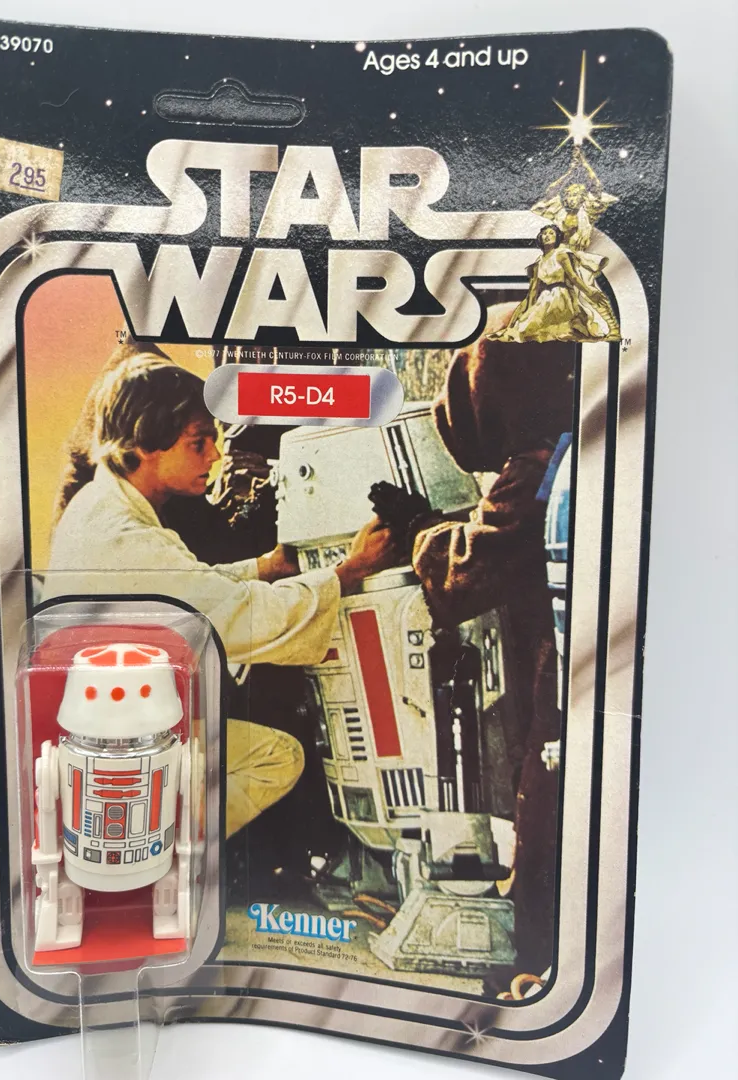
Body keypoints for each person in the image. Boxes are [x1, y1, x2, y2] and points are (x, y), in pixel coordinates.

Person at [44, 352, 398, 837]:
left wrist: (265, 567)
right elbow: (235, 618)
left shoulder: (103, 505)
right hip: (115, 737)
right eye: (199, 442)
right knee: (277, 757)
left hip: (103, 718)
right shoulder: (125, 537)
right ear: (145, 445)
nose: (214, 456)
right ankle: (164, 845)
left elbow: (187, 585)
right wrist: (348, 572)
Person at [410, 303, 576, 976]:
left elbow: (462, 577)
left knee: (545, 811)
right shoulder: (576, 439)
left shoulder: (536, 463)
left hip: (560, 681)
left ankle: (539, 966)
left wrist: (421, 533)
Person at [490, 224, 620, 343]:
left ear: (557, 237)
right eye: (544, 234)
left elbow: (573, 277)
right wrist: (512, 325)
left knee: (590, 302)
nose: (547, 236)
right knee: (523, 329)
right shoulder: (539, 262)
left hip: (562, 296)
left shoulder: (561, 254)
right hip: (545, 299)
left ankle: (613, 330)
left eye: (551, 233)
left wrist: (588, 291)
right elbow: (533, 292)